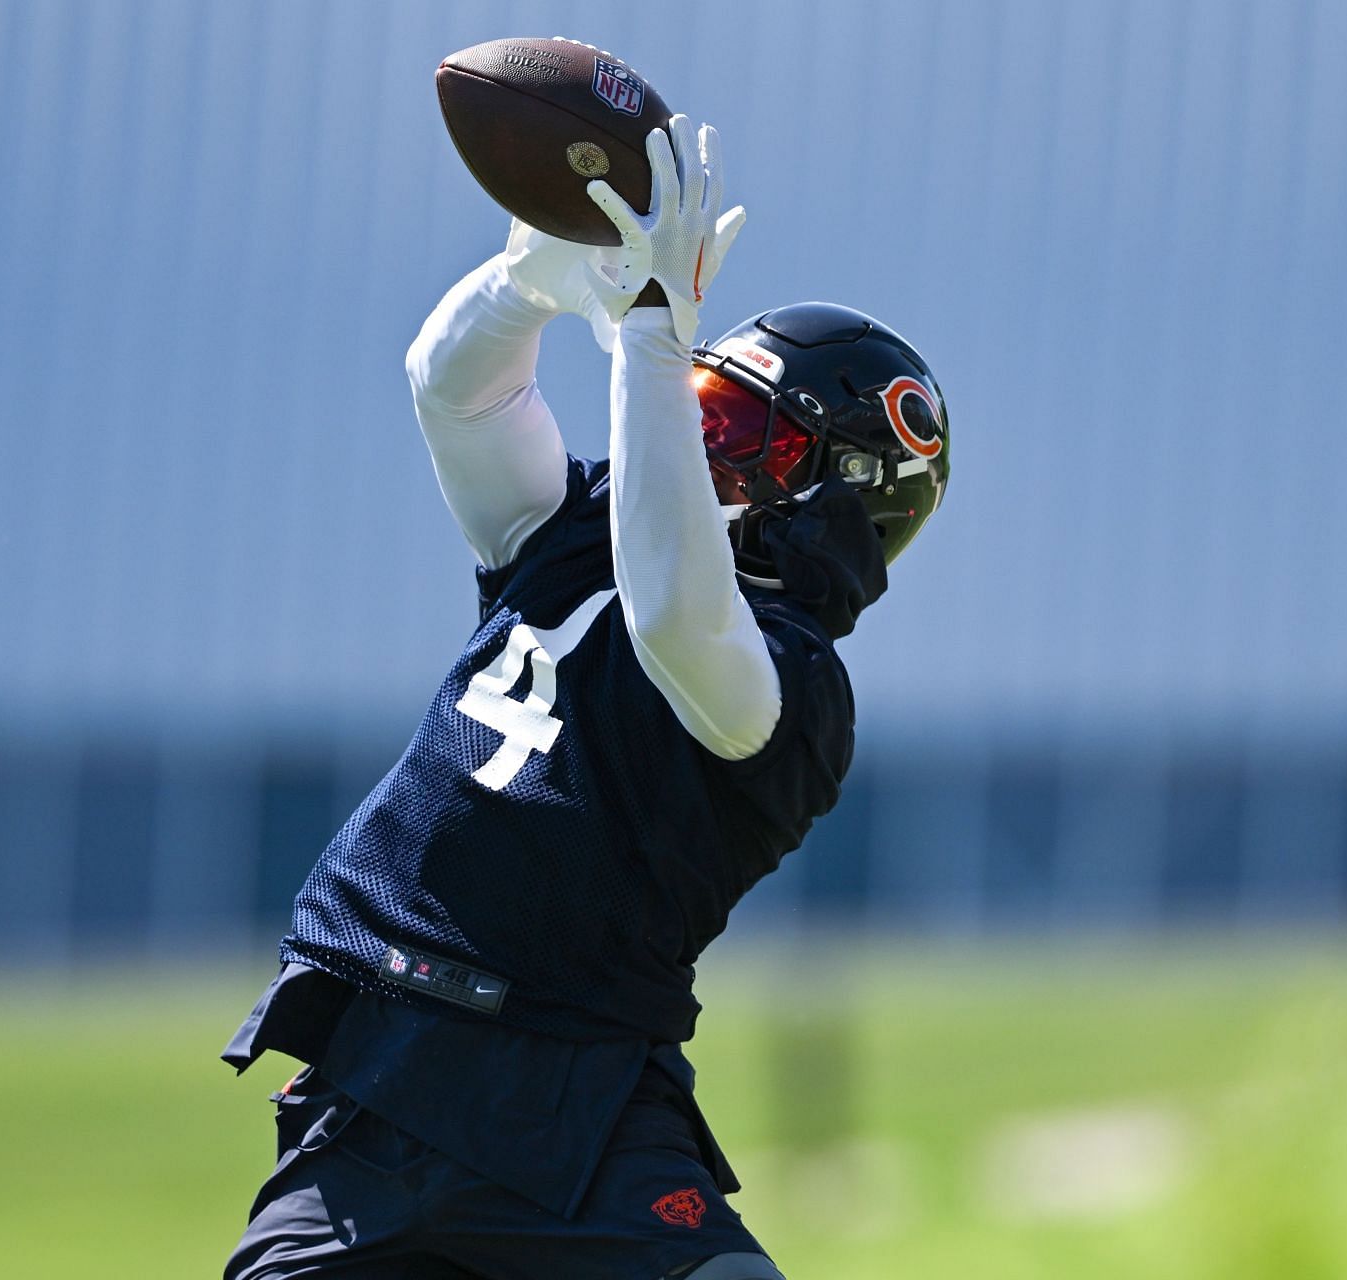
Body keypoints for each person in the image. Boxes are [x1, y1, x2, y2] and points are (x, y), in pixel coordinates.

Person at [222, 115, 950, 1280]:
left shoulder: (797, 687)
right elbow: (456, 395)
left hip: (582, 1102)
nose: (700, 436)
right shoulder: (573, 537)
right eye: (703, 407)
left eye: (739, 426)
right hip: (379, 1071)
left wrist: (654, 345)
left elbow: (676, 614)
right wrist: (528, 284)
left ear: (831, 497)